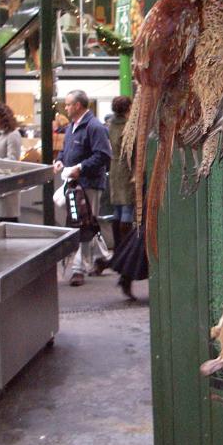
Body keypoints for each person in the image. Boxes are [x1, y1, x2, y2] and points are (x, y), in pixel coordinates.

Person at [54, 90, 112, 287]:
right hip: (75, 183)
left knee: (82, 225)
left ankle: (78, 269)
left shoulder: (94, 127)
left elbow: (103, 155)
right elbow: (65, 151)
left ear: (78, 105)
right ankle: (102, 255)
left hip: (89, 183)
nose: (66, 108)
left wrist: (80, 168)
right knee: (86, 222)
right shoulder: (72, 127)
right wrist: (60, 161)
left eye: (69, 104)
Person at [103, 96, 148, 298]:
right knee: (134, 224)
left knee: (124, 217)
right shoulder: (130, 128)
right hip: (133, 178)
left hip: (120, 175)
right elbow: (134, 152)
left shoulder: (112, 126)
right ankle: (123, 267)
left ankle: (121, 265)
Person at [0, 103, 22, 223]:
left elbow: (13, 159)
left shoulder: (13, 135)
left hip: (8, 183)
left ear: (3, 118)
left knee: (7, 218)